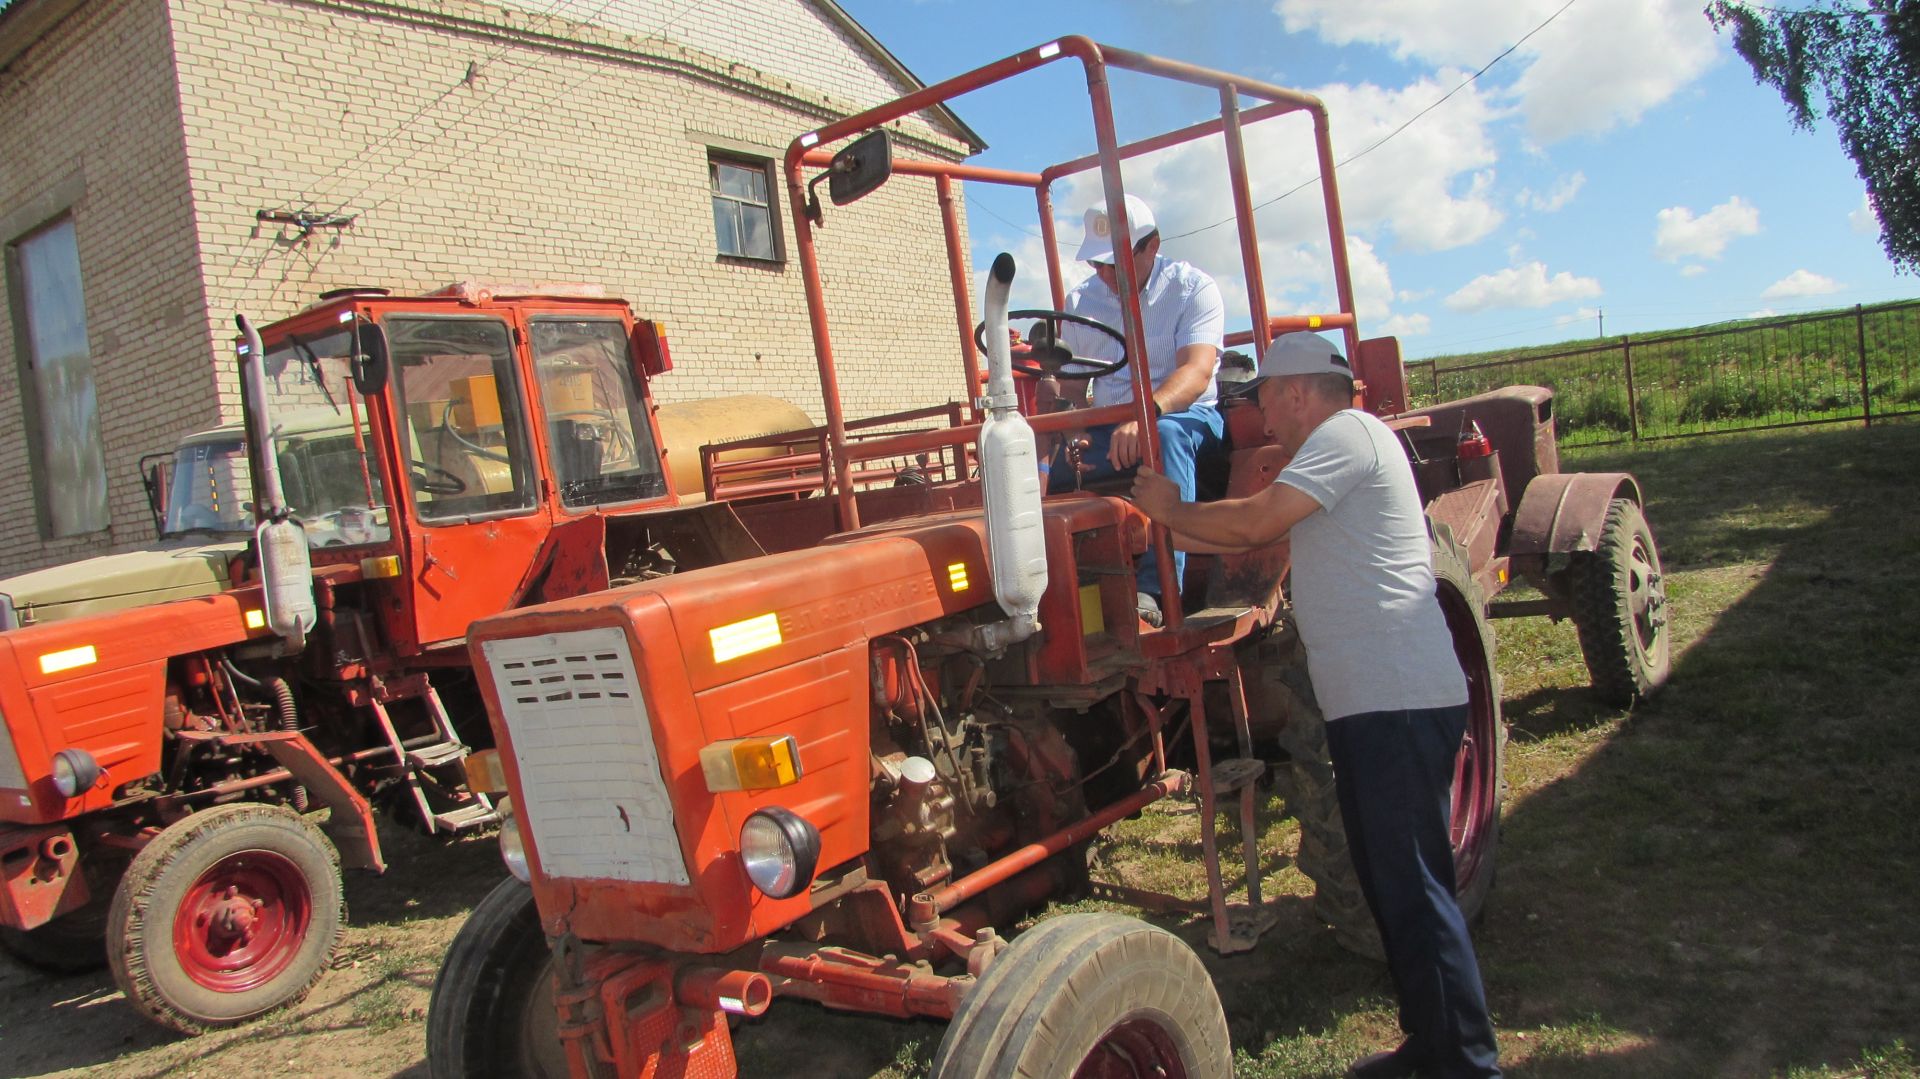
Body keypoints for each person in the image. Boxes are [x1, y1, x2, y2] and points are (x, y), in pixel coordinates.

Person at [1129, 331, 1502, 1079]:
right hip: (1373, 703)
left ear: (1299, 389)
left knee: (1416, 888)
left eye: (1265, 394)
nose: (1261, 409)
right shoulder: (1337, 445)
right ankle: (1432, 1045)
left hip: (1395, 701)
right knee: (1392, 881)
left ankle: (1467, 1060)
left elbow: (1253, 523)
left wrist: (1167, 509)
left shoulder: (1347, 435)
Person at [1050, 193, 1225, 625]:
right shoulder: (1080, 303)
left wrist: (1144, 417)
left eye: (1116, 262)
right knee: (1058, 471)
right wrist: (1067, 422)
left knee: (1163, 439)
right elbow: (1070, 384)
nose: (1106, 275)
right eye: (1097, 265)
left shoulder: (1192, 289)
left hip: (1186, 421)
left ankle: (1157, 592)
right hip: (1110, 425)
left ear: (1153, 245)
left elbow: (1197, 372)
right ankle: (1071, 594)